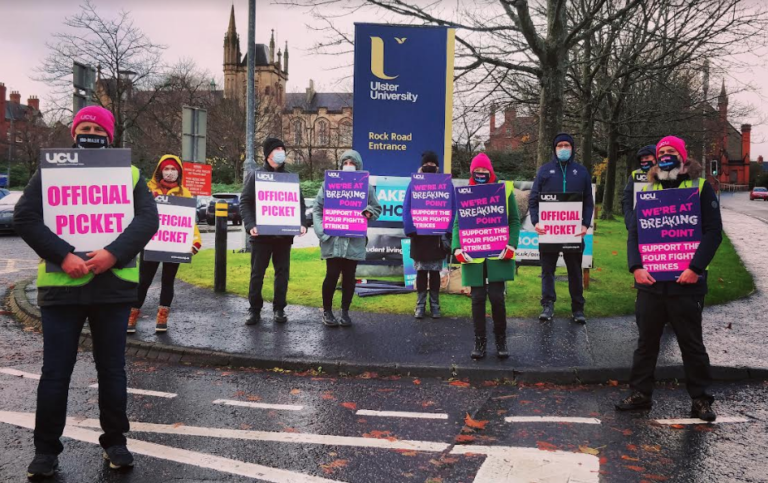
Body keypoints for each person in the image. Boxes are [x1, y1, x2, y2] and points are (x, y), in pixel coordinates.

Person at [13, 106, 159, 477]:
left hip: (113, 288)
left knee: (112, 370)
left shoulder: (131, 174)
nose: (90, 132)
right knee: (55, 373)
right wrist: (63, 256)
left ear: (109, 135)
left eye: (97, 127)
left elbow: (147, 219)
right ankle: (46, 451)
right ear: (74, 133)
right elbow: (25, 217)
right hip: (62, 290)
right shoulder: (50, 171)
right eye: (84, 127)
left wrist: (113, 253)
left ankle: (116, 443)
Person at [616, 136, 721, 421]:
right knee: (646, 343)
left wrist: (695, 268)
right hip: (650, 282)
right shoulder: (648, 191)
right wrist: (636, 267)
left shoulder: (700, 188)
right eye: (661, 152)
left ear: (683, 157)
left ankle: (700, 399)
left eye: (671, 152)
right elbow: (636, 233)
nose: (665, 156)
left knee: (691, 344)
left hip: (686, 283)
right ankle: (640, 395)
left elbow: (713, 233)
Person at [452, 153, 520, 359]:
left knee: (498, 298)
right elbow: (458, 223)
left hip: (498, 253)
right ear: (473, 172)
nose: (481, 174)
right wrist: (456, 248)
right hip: (474, 253)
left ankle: (501, 340)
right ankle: (479, 342)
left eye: (484, 170)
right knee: (477, 298)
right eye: (477, 171)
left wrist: (512, 245)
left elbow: (515, 221)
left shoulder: (504, 190)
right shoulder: (467, 192)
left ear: (490, 171)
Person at [128, 155, 202, 334]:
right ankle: (131, 316)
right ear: (160, 171)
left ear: (179, 172)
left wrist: (195, 239)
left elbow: (188, 219)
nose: (170, 173)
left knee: (168, 281)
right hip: (151, 243)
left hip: (174, 245)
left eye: (174, 169)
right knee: (144, 280)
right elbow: (136, 211)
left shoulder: (184, 192)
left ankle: (162, 318)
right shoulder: (148, 189)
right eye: (166, 169)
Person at [240, 137, 309, 325]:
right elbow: (245, 202)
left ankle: (279, 309)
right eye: (277, 148)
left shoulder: (289, 177)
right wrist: (250, 225)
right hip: (261, 236)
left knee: (282, 274)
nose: (281, 151)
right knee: (257, 274)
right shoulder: (256, 175)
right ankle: (254, 310)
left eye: (282, 148)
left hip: (283, 236)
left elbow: (299, 204)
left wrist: (302, 223)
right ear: (268, 153)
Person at [529, 133, 594, 324]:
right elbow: (533, 200)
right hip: (549, 233)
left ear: (572, 148)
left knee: (574, 270)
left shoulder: (581, 172)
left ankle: (578, 308)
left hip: (573, 233)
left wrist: (584, 224)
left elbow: (588, 202)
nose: (563, 149)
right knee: (547, 270)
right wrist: (536, 222)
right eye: (560, 146)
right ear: (554, 149)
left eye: (567, 145)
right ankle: (547, 305)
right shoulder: (544, 171)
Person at [313, 150, 381, 327]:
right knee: (332, 275)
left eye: (352, 163)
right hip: (332, 240)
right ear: (341, 165)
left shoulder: (366, 187)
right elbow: (317, 209)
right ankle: (327, 311)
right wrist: (323, 233)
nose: (348, 166)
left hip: (354, 241)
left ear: (358, 166)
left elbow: (376, 208)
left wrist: (368, 212)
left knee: (349, 277)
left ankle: (345, 312)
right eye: (346, 162)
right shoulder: (328, 184)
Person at [402, 151, 454, 319]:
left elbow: (452, 208)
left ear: (437, 166)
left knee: (436, 271)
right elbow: (406, 208)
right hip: (419, 235)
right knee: (421, 272)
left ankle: (435, 305)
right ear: (422, 165)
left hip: (437, 236)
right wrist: (410, 229)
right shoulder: (414, 184)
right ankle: (420, 305)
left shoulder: (446, 184)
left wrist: (448, 230)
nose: (430, 166)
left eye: (433, 164)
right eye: (427, 164)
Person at [621, 145, 657, 228]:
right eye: (642, 159)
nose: (644, 161)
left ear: (656, 158)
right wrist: (629, 220)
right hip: (638, 221)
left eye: (647, 158)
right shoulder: (635, 175)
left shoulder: (665, 173)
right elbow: (627, 199)